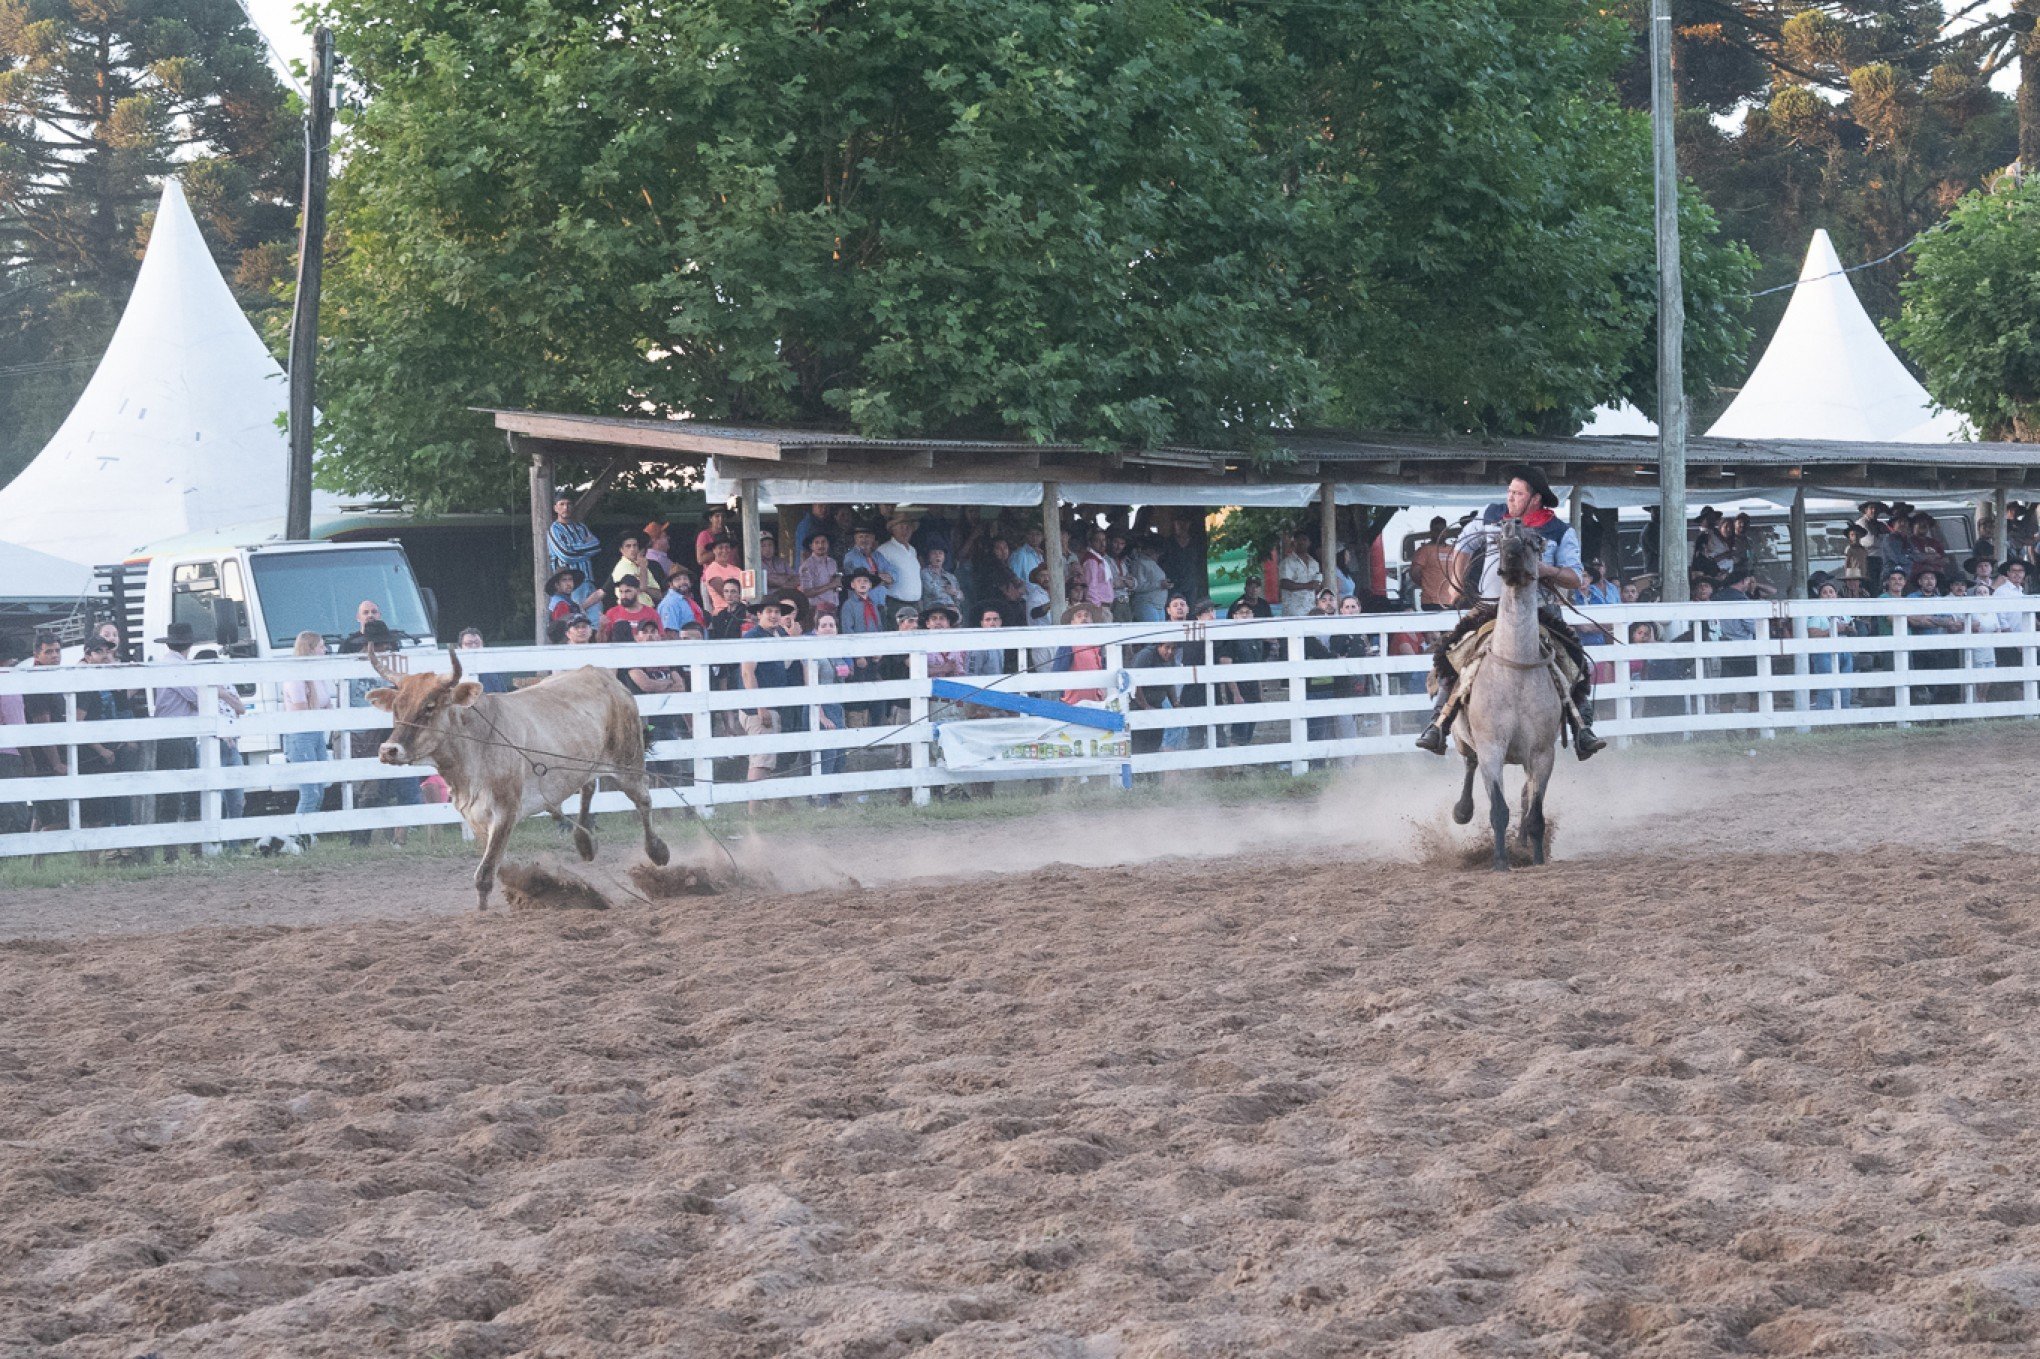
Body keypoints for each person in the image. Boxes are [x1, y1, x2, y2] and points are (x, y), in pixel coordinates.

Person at [1414, 465, 1606, 759]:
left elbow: (1575, 577)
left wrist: (1545, 569)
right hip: (1487, 609)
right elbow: (1463, 546)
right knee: (1450, 653)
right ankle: (1439, 722)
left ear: (1535, 499)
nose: (1511, 498)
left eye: (1518, 494)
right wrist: (1456, 585)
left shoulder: (1559, 531)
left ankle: (1583, 727)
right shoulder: (1491, 515)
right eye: (1510, 492)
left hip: (1540, 613)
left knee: (1575, 658)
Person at [281, 629, 336, 840]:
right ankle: (298, 836)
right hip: (300, 736)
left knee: (319, 790)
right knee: (309, 791)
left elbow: (326, 704)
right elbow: (302, 711)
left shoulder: (317, 677)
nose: (325, 650)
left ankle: (307, 835)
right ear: (311, 649)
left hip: (316, 735)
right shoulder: (296, 678)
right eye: (321, 646)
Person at [547, 494, 601, 583]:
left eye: (569, 504)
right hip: (569, 583)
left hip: (588, 579)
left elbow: (596, 546)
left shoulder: (581, 527)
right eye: (562, 504)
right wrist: (584, 543)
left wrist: (573, 548)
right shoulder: (554, 530)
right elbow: (566, 555)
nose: (566, 507)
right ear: (555, 508)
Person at [876, 514, 924, 611]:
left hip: (915, 604)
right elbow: (878, 578)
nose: (905, 531)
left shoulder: (912, 550)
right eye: (901, 527)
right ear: (893, 530)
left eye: (908, 528)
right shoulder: (884, 549)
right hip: (895, 604)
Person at [842, 523, 890, 611]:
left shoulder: (879, 556)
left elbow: (892, 577)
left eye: (867, 536)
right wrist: (880, 578)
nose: (864, 539)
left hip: (881, 605)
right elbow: (855, 580)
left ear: (873, 538)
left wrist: (873, 577)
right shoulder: (850, 557)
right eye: (861, 537)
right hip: (861, 606)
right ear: (855, 539)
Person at [1410, 517, 1456, 609]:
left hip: (1452, 600)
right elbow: (1414, 573)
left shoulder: (1453, 549)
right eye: (1436, 530)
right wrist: (1427, 584)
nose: (1440, 533)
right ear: (1431, 532)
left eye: (1442, 530)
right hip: (1431, 601)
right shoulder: (1424, 550)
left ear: (1446, 532)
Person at [1277, 532, 1323, 617]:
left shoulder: (1314, 563)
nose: (1301, 542)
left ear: (1309, 543)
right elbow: (1284, 583)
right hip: (1293, 611)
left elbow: (1317, 585)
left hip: (1311, 609)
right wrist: (1307, 585)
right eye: (1298, 540)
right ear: (1294, 543)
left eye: (1304, 539)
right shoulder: (1287, 562)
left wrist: (1317, 586)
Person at [612, 532, 668, 603]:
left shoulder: (640, 565)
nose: (632, 549)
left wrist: (645, 588)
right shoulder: (622, 567)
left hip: (648, 609)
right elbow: (642, 587)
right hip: (631, 610)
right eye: (628, 546)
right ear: (621, 550)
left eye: (635, 545)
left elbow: (658, 594)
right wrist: (643, 568)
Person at [602, 576, 661, 642]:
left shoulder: (651, 613)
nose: (623, 596)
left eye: (627, 591)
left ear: (638, 591)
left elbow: (662, 638)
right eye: (621, 592)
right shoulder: (611, 613)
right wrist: (601, 628)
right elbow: (602, 642)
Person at [799, 531, 842, 617]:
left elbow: (836, 585)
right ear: (811, 546)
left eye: (823, 542)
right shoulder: (807, 566)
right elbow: (807, 592)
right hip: (816, 611)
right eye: (817, 542)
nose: (820, 545)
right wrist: (830, 585)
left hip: (834, 608)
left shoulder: (832, 562)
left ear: (828, 544)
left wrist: (837, 584)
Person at [699, 538, 745, 613]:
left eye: (727, 547)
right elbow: (726, 594)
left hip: (740, 610)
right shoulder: (712, 569)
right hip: (723, 613)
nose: (724, 550)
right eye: (720, 548)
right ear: (714, 550)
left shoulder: (737, 569)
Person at [839, 568, 886, 634]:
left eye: (865, 580)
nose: (862, 583)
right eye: (858, 581)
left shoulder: (873, 604)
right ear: (852, 585)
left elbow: (879, 626)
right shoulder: (848, 605)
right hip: (858, 642)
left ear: (870, 585)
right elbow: (847, 630)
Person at [921, 546, 964, 614]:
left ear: (944, 557)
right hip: (934, 610)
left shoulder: (951, 577)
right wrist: (949, 591)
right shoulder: (925, 573)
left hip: (953, 611)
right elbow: (933, 591)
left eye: (940, 553)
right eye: (934, 553)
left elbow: (961, 597)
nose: (937, 556)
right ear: (929, 557)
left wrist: (954, 592)